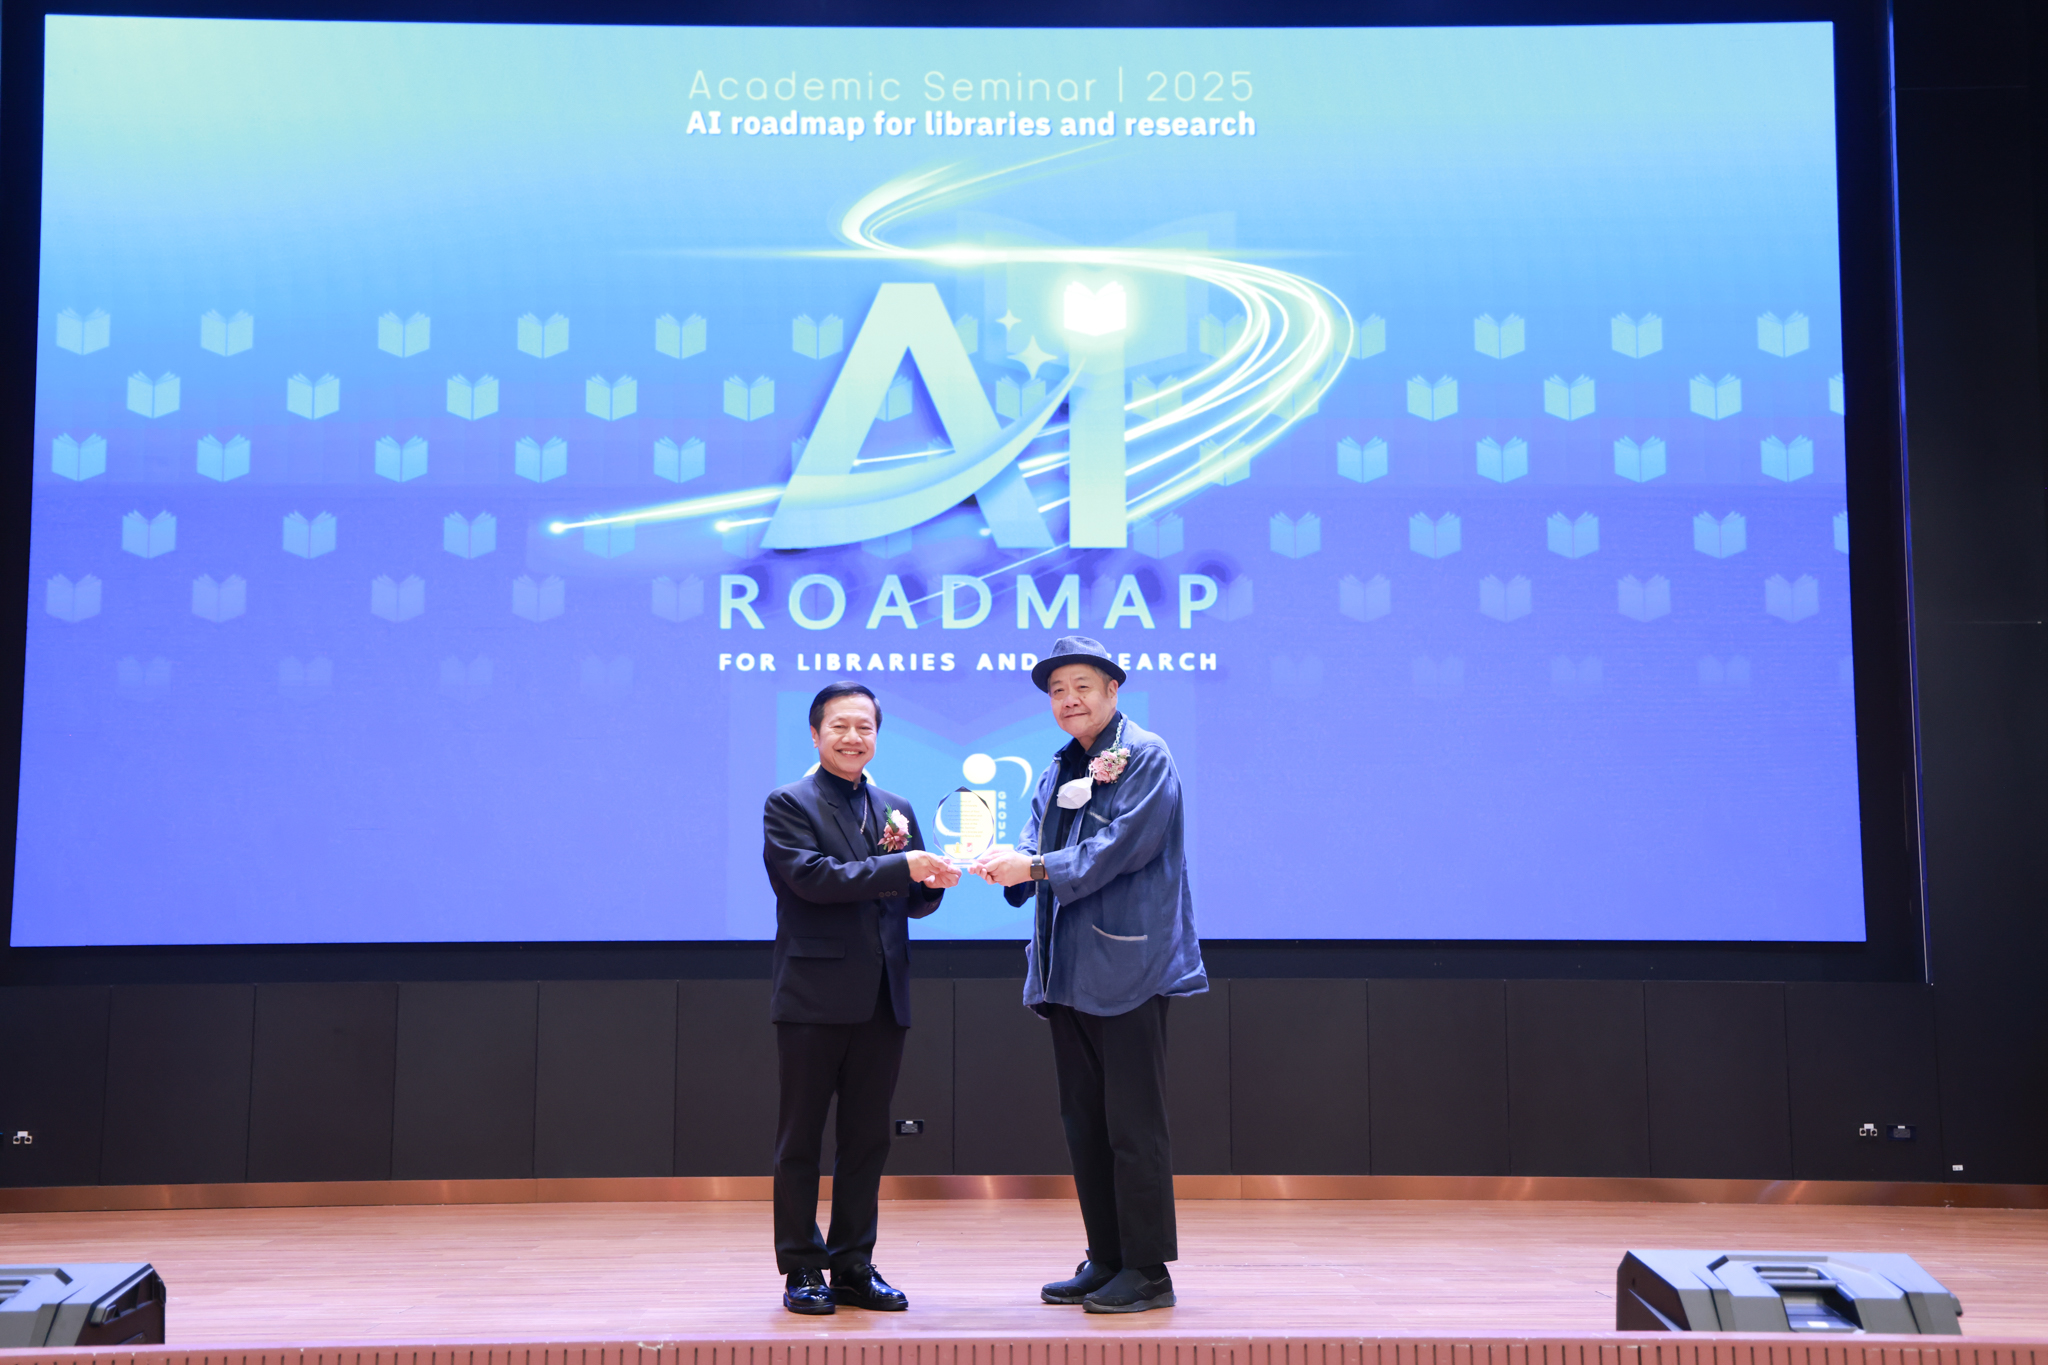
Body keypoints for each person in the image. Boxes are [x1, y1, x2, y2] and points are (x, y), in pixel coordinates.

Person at [971, 635, 1207, 1314]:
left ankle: (1148, 1270)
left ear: (1112, 690)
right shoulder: (1058, 766)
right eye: (1057, 690)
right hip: (1065, 968)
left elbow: (1122, 846)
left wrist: (1035, 866)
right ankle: (1106, 1257)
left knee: (1134, 1125)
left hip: (1129, 965)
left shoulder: (1146, 755)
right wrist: (1009, 862)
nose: (1068, 699)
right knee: (1086, 1123)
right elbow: (1037, 838)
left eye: (1081, 686)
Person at [762, 680, 959, 1315]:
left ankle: (852, 1264)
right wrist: (905, 868)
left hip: (882, 997)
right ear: (815, 734)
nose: (853, 737)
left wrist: (934, 882)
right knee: (800, 1139)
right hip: (813, 997)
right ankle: (801, 1265)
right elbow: (813, 879)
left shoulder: (895, 807)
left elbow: (910, 902)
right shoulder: (789, 803)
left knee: (868, 1139)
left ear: (877, 735)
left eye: (865, 727)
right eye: (840, 726)